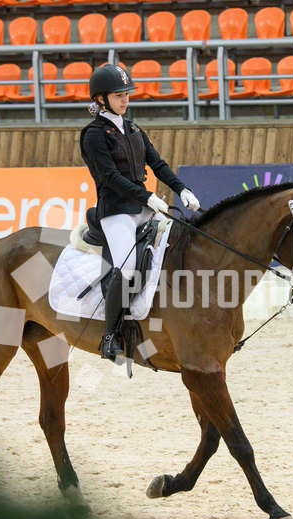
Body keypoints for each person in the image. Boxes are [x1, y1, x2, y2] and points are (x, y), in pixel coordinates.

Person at [79, 63, 200, 362]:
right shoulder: (94, 135)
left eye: (126, 94)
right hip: (116, 212)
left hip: (143, 208)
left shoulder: (133, 129)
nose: (125, 100)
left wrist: (182, 189)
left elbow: (157, 164)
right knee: (128, 266)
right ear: (101, 99)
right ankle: (110, 335)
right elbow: (108, 176)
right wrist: (146, 195)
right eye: (118, 95)